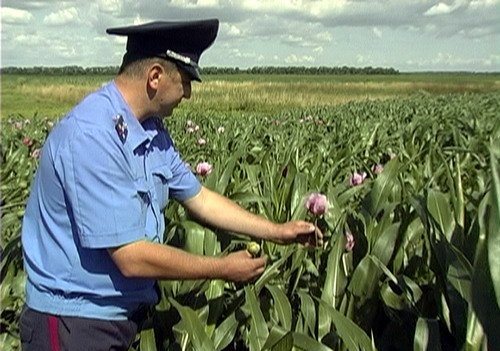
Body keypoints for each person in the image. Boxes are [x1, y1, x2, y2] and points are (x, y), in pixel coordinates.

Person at [19, 18, 322, 351]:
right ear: (155, 77)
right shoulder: (93, 135)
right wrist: (221, 268)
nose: (189, 94)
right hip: (73, 325)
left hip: (118, 319)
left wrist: (276, 231)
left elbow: (200, 198)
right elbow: (131, 257)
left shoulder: (150, 131)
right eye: (186, 80)